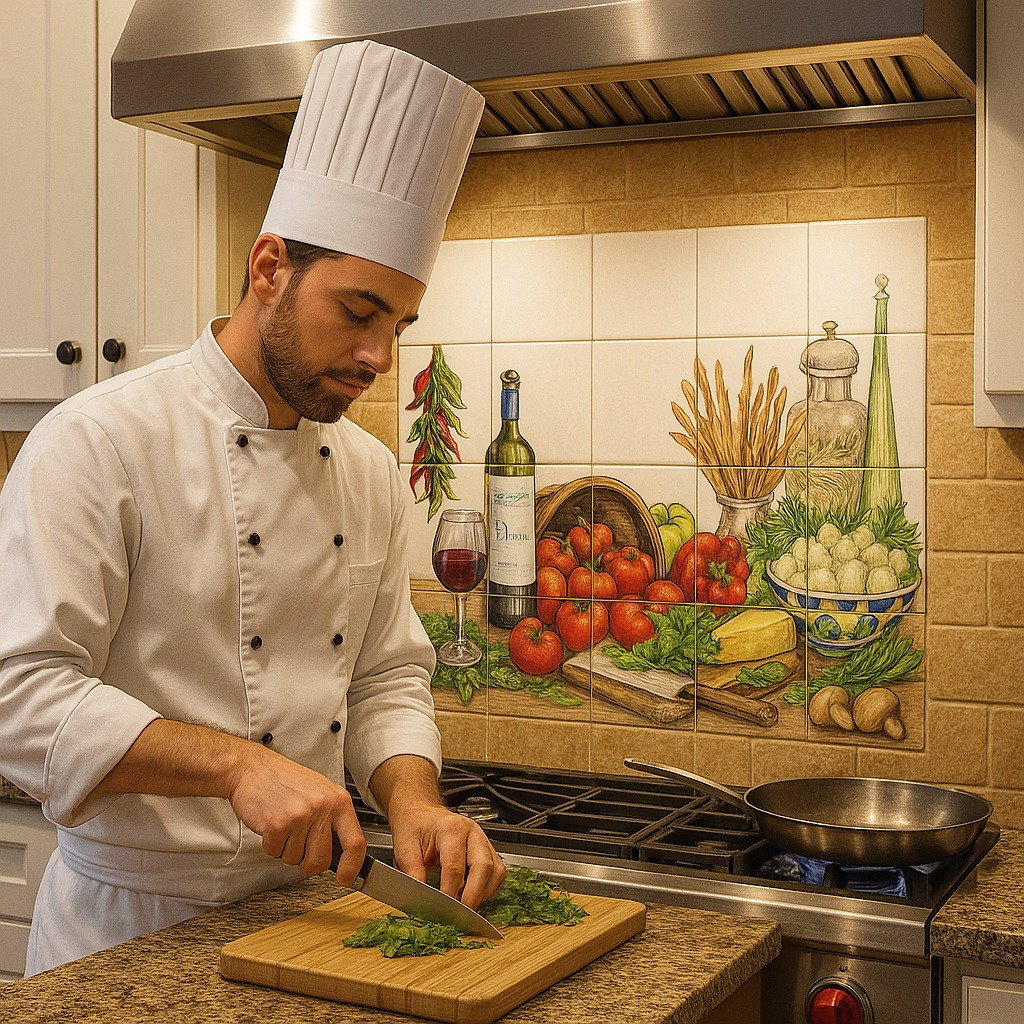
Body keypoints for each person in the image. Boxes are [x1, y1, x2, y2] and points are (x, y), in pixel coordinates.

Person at [0, 39, 505, 976]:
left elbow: (386, 676)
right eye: (358, 311)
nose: (378, 357)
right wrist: (238, 766)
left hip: (307, 924)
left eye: (398, 324)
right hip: (126, 932)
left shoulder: (364, 469)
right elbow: (18, 697)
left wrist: (414, 801)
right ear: (268, 265)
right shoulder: (97, 442)